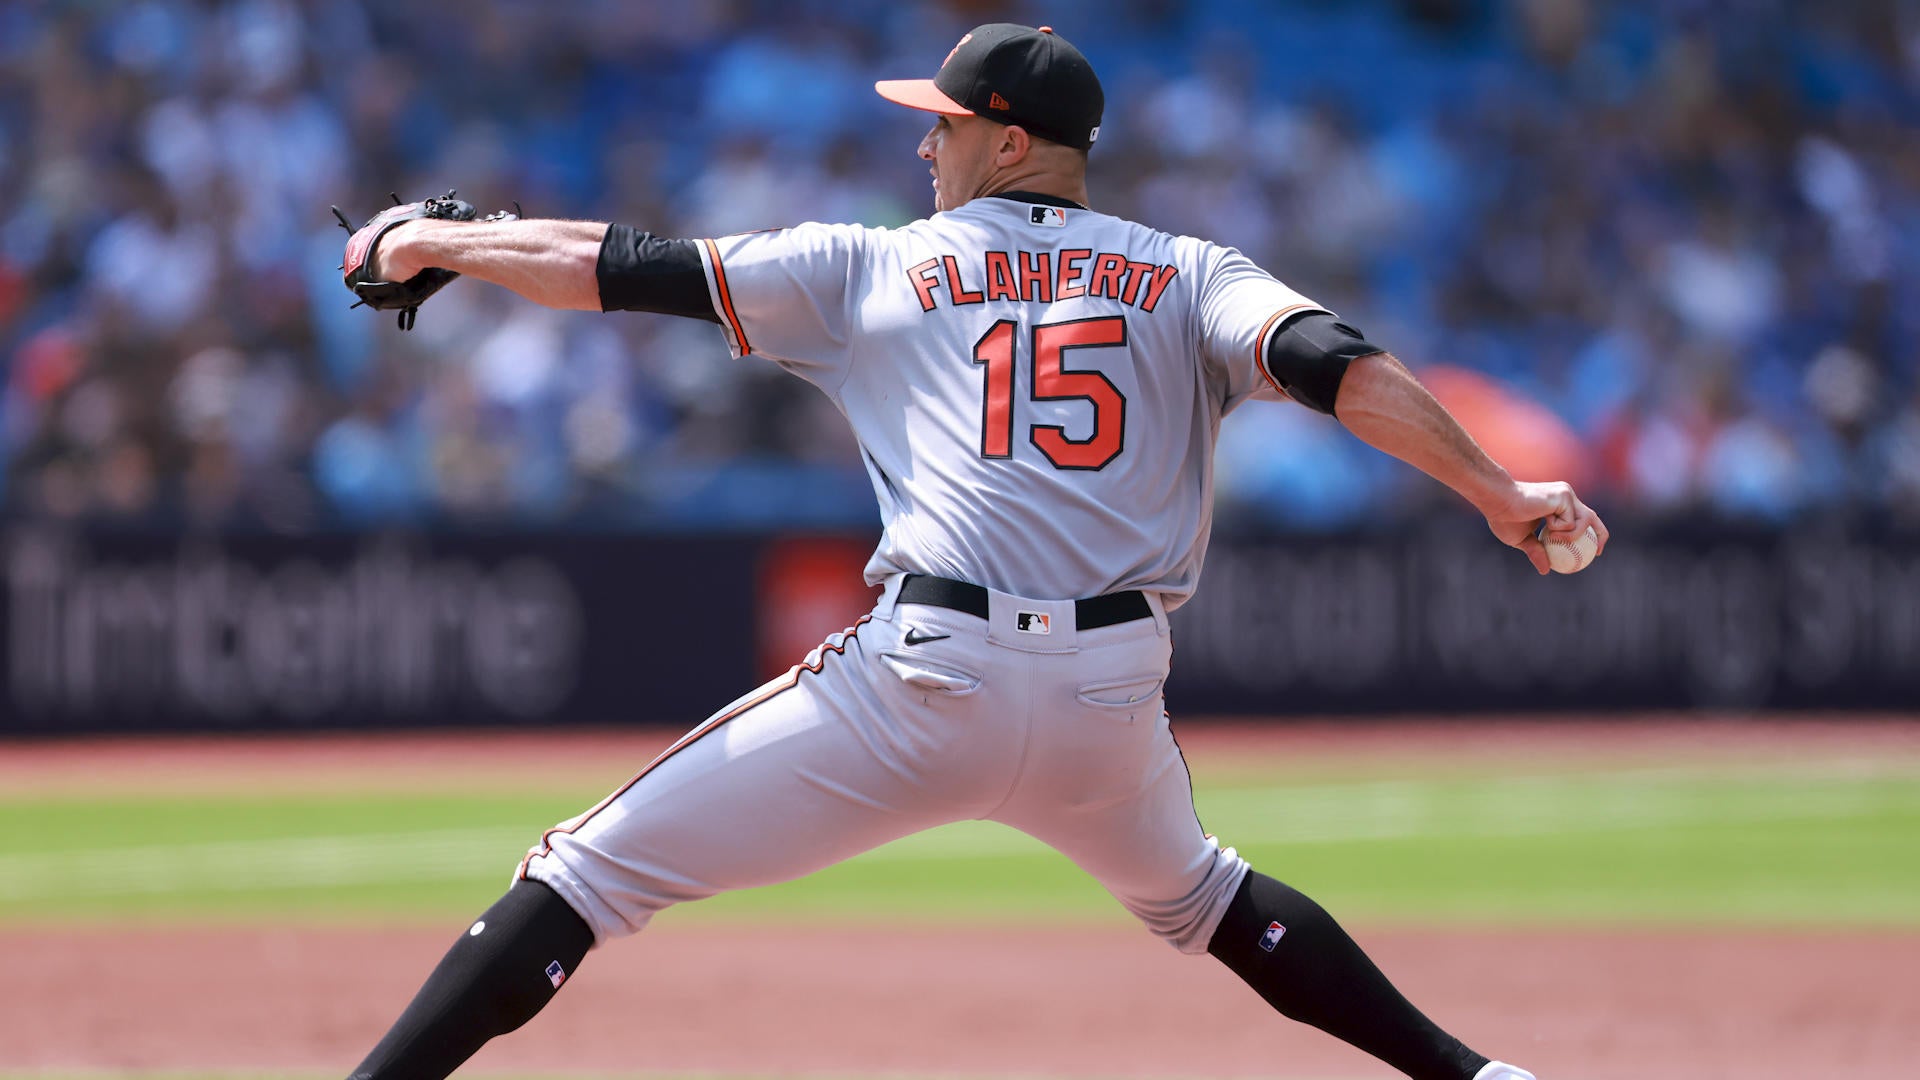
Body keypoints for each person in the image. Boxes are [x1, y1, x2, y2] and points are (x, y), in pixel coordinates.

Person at [339, 23, 1604, 1080]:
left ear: (1008, 139)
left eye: (943, 122)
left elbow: (615, 265)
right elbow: (1339, 367)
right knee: (1208, 901)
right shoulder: (1186, 273)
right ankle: (1477, 1077)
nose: (923, 142)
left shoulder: (870, 266)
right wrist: (1494, 492)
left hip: (924, 679)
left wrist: (438, 240)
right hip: (1111, 697)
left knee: (586, 873)